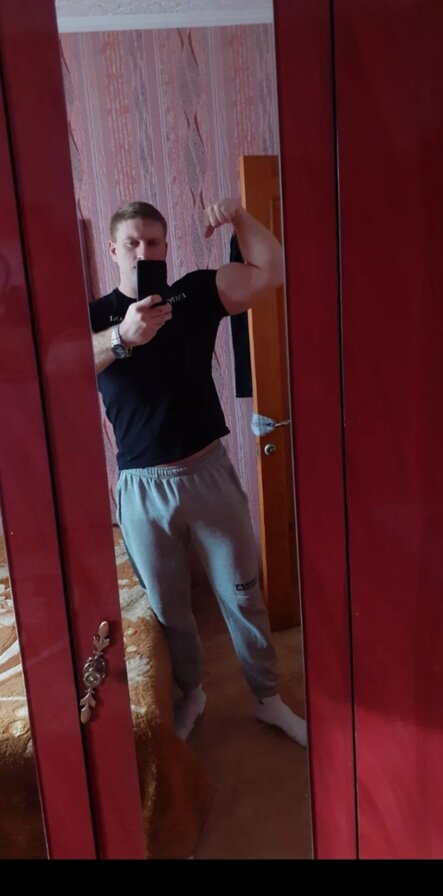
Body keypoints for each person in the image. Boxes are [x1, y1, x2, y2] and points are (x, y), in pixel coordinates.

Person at [89, 198, 307, 747]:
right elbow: (56, 366)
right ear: (112, 250)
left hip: (208, 470)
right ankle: (193, 693)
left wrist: (239, 216)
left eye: (153, 243)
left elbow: (271, 272)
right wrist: (122, 337)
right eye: (132, 243)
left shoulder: (193, 293)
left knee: (243, 592)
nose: (144, 253)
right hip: (142, 488)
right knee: (170, 608)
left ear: (167, 247)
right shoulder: (94, 318)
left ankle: (268, 698)